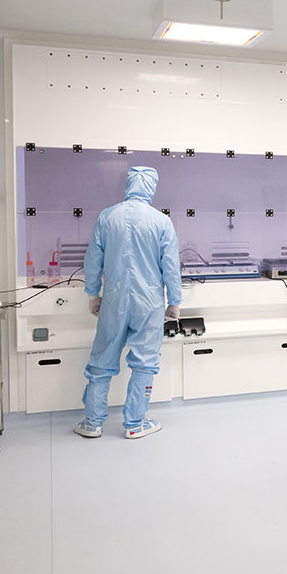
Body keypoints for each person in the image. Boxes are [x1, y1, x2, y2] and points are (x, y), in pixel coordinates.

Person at [74, 166, 182, 440]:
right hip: (149, 303)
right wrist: (175, 301)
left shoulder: (107, 216)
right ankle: (136, 424)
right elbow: (170, 267)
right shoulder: (161, 221)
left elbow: (92, 260)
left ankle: (91, 424)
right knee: (145, 362)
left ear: (128, 185)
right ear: (152, 187)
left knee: (101, 360)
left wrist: (92, 294)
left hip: (114, 300)